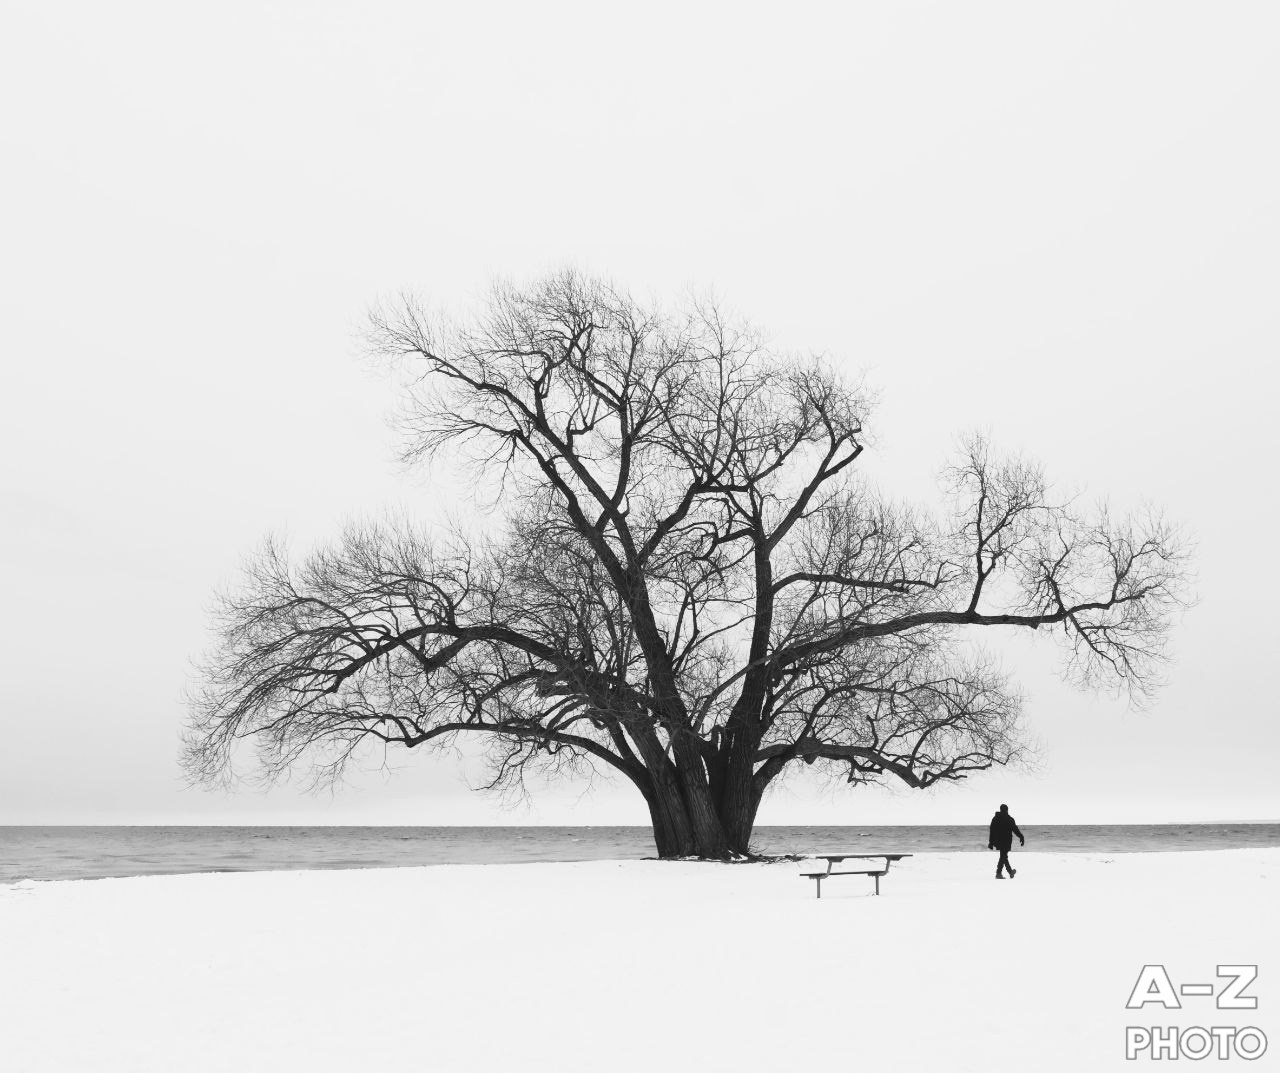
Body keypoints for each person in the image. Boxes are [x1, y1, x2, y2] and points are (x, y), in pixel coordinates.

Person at [988, 803, 1025, 879]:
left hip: (998, 841)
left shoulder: (995, 818)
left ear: (1000, 809)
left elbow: (992, 831)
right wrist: (1021, 837)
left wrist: (991, 842)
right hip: (1006, 841)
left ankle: (1010, 872)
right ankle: (998, 873)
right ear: (1007, 810)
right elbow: (1015, 830)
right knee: (1003, 856)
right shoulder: (1009, 819)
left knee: (1003, 856)